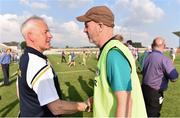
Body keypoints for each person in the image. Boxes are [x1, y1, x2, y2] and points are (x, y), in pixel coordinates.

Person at [76, 5, 147, 117]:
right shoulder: (108, 50)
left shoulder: (113, 54)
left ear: (100, 26)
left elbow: (126, 103)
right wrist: (97, 98)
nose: (84, 30)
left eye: (87, 25)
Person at [17, 16, 91, 117]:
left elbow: (19, 90)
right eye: (45, 32)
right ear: (31, 36)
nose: (50, 35)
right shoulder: (37, 63)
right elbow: (57, 108)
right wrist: (85, 106)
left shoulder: (25, 57)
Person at [141, 37, 179, 117]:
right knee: (153, 114)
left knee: (144, 113)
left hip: (143, 89)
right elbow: (174, 77)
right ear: (164, 46)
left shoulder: (146, 56)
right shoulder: (164, 59)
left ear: (152, 45)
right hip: (155, 92)